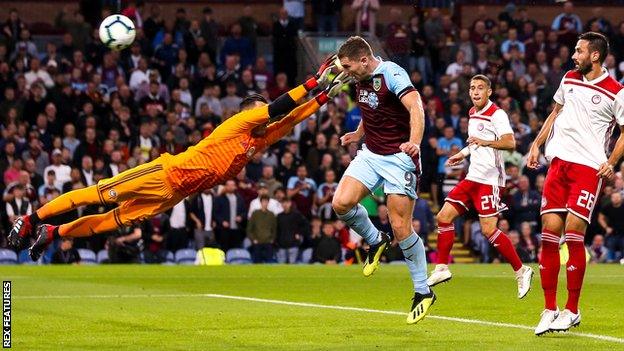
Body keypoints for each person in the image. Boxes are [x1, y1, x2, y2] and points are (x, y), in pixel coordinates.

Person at [9, 57, 349, 261]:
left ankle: (55, 232)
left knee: (109, 222)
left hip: (172, 195)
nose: (266, 113)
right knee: (95, 194)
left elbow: (288, 119)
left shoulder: (255, 142)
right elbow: (279, 109)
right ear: (249, 111)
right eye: (260, 107)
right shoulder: (238, 123)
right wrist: (313, 82)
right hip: (163, 173)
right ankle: (30, 218)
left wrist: (324, 95)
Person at [331, 36, 433, 324]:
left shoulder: (392, 73)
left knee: (401, 228)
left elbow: (416, 108)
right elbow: (373, 106)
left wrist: (414, 142)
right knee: (341, 203)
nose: (347, 72)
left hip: (400, 156)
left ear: (365, 60)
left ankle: (423, 291)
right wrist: (358, 133)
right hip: (371, 153)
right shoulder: (360, 77)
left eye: (349, 67)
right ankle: (376, 240)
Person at [527, 32, 624, 335]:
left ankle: (572, 310)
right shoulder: (569, 78)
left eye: (579, 51)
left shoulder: (616, 91)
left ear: (595, 55)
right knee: (548, 235)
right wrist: (536, 143)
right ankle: (549, 308)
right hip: (558, 164)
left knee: (573, 234)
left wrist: (612, 162)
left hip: (587, 169)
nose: (574, 55)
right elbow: (555, 112)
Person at [427, 74, 534, 297]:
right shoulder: (473, 113)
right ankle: (442, 267)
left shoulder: (498, 114)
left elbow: (510, 142)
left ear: (489, 92)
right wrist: (462, 154)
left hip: (490, 180)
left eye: (480, 88)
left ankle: (521, 270)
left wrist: (485, 142)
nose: (476, 91)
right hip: (472, 176)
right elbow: (474, 143)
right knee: (443, 217)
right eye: (473, 88)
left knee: (488, 230)